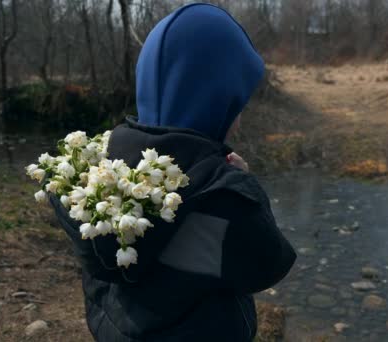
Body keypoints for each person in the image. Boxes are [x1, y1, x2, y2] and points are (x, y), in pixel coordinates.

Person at [49, 3, 296, 342]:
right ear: (216, 102)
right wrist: (246, 185)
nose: (239, 117)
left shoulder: (100, 175)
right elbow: (269, 265)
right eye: (237, 104)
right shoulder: (226, 199)